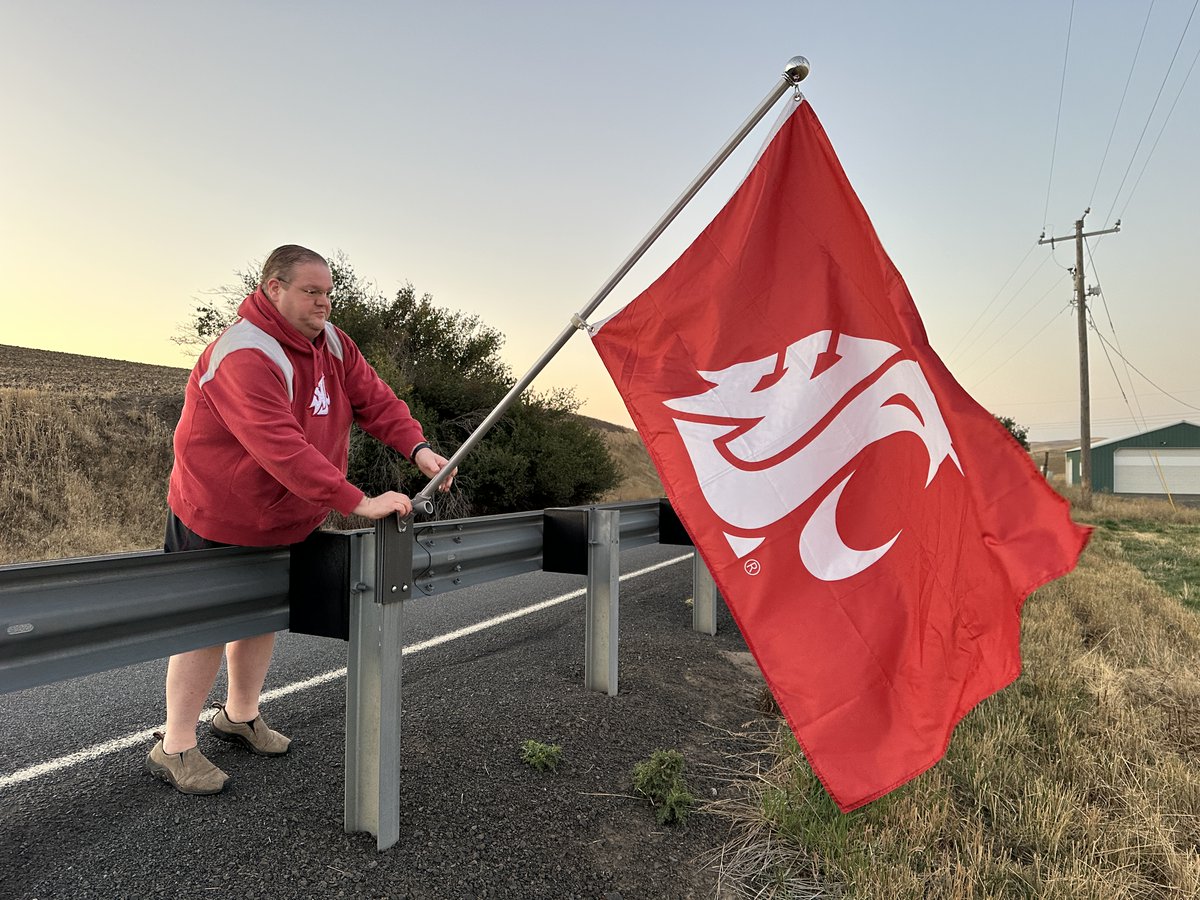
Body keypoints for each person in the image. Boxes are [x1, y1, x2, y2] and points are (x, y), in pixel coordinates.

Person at [146, 244, 454, 795]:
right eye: (311, 292)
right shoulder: (244, 354)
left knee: (264, 614)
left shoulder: (332, 342)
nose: (324, 304)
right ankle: (175, 746)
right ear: (273, 288)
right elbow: (280, 447)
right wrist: (358, 501)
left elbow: (376, 400)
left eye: (329, 293)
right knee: (208, 628)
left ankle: (238, 716)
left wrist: (419, 448)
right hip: (219, 514)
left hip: (283, 516)